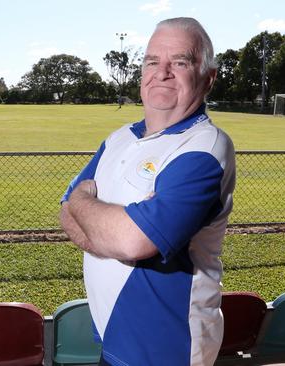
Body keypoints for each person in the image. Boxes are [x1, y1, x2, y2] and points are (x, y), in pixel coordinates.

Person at [59, 17, 235, 366]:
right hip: (114, 335)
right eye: (153, 61)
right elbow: (65, 212)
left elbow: (131, 241)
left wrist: (87, 203)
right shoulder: (118, 138)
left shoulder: (205, 148)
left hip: (168, 348)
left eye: (180, 62)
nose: (163, 72)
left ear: (208, 77)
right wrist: (109, 228)